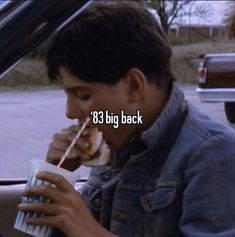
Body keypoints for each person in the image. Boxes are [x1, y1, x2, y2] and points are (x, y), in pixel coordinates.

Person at [17, 1, 235, 236]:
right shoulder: (116, 133)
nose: (70, 112)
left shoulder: (212, 152)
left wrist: (91, 232)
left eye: (83, 95)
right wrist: (52, 174)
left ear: (133, 85)